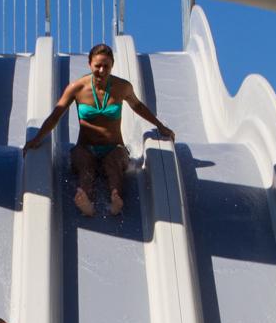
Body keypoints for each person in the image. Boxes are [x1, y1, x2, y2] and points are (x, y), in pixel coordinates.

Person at [21, 42, 175, 216]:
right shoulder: (77, 88)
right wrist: (37, 139)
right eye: (97, 66)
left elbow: (138, 106)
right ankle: (86, 202)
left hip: (114, 147)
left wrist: (160, 126)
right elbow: (56, 115)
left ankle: (115, 200)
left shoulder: (122, 87)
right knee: (84, 164)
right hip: (85, 146)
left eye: (106, 66)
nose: (102, 70)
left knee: (114, 163)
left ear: (112, 65)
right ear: (90, 64)